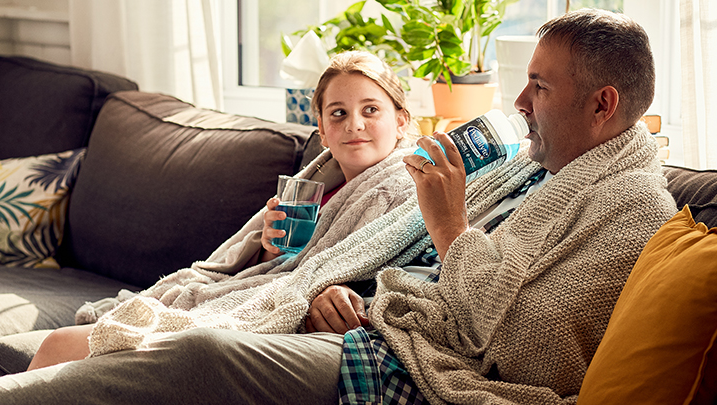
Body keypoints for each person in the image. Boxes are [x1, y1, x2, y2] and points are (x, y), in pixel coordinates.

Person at [0, 9, 679, 404]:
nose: (517, 100)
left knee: (199, 354)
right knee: (50, 351)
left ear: (604, 105)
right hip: (366, 319)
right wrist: (316, 288)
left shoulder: (633, 208)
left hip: (412, 363)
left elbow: (531, 352)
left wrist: (447, 226)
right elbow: (387, 254)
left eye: (539, 85)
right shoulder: (529, 172)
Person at [24, 49, 422, 370]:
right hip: (254, 292)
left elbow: (391, 267)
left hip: (272, 314)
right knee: (62, 347)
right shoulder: (315, 186)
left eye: (371, 110)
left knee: (61, 344)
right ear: (321, 128)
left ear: (401, 121)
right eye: (338, 113)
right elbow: (278, 265)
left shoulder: (407, 190)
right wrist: (267, 247)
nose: (354, 124)